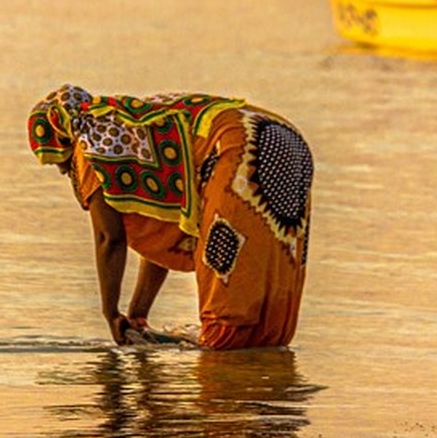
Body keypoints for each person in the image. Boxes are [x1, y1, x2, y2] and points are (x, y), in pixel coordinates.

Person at [28, 84, 313, 349]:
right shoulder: (125, 123)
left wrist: (110, 312)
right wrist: (138, 314)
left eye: (60, 164)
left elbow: (108, 238)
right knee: (270, 274)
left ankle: (227, 381)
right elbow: (161, 225)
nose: (65, 172)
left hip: (238, 145)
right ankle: (262, 372)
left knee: (225, 311)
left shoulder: (90, 146)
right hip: (279, 134)